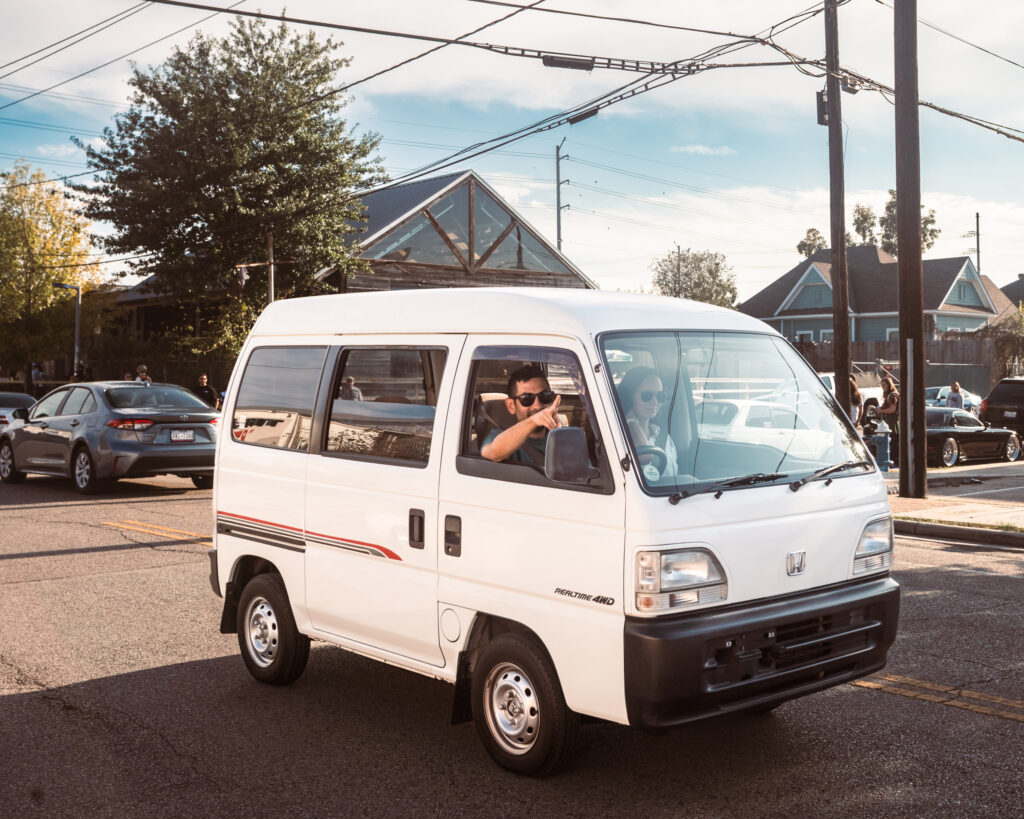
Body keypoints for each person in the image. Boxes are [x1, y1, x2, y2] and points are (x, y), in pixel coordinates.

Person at [480, 364, 561, 464]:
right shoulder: (499, 436)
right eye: (527, 399)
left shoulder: (564, 438)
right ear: (511, 406)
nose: (537, 406)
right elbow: (492, 452)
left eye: (545, 396)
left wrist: (561, 438)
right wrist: (534, 420)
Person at [618, 366, 678, 480]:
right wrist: (630, 421)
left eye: (660, 396)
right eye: (646, 396)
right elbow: (645, 456)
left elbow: (675, 478)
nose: (655, 402)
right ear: (629, 396)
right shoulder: (618, 436)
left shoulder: (665, 438)